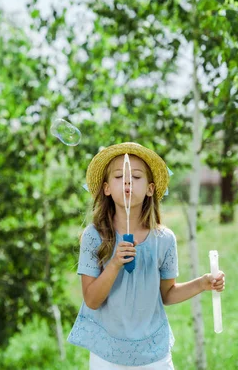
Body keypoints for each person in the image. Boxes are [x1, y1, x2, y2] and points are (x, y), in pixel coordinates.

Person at [67, 142, 226, 369]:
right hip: (108, 354)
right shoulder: (95, 236)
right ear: (106, 189)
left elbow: (167, 294)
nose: (128, 181)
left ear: (150, 189)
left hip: (154, 354)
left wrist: (202, 283)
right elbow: (92, 300)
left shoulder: (164, 239)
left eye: (137, 177)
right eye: (120, 176)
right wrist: (114, 264)